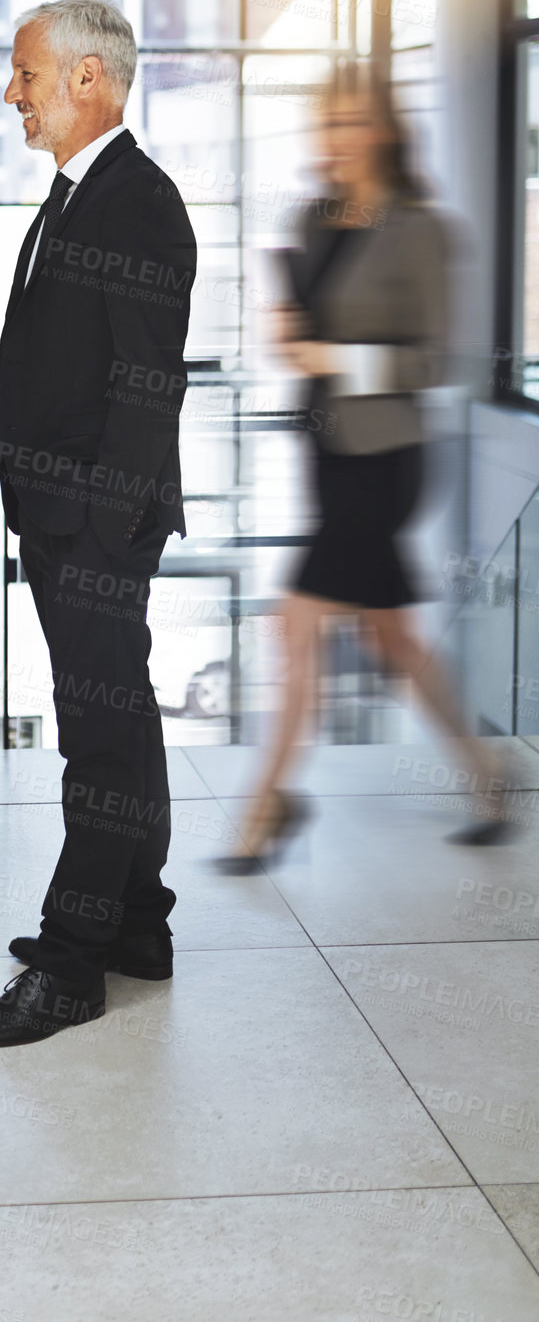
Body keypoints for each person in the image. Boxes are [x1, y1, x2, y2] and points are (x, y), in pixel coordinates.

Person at [0, 0, 196, 1046]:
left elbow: (151, 384)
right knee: (122, 722)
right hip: (64, 509)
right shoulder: (74, 196)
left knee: (96, 740)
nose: (9, 92)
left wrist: (105, 534)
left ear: (87, 81)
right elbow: (46, 364)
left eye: (24, 74)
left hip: (95, 523)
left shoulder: (137, 203)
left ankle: (71, 962)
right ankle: (136, 925)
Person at [215, 66, 517, 874]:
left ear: (383, 128)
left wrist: (336, 357)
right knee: (393, 638)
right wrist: (288, 333)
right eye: (326, 121)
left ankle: (265, 808)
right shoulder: (312, 219)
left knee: (296, 622)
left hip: (387, 458)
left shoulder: (421, 229)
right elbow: (303, 335)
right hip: (328, 451)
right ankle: (486, 781)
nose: (335, 136)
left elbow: (437, 361)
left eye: (351, 121)